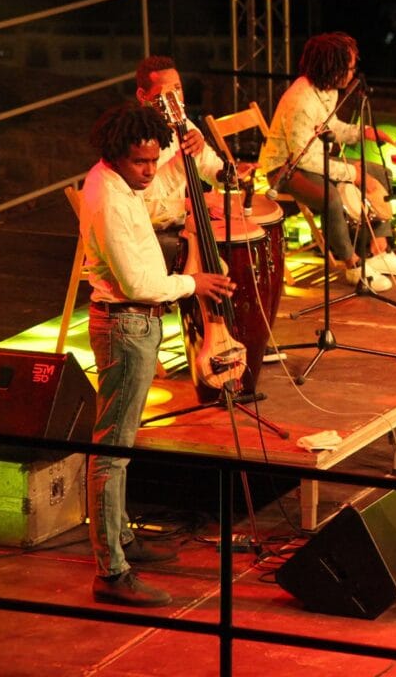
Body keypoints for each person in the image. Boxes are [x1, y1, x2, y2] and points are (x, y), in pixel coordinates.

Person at [79, 103, 236, 606]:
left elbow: (173, 144)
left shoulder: (119, 181)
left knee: (120, 447)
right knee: (113, 451)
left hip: (134, 323)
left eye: (153, 160)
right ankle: (111, 572)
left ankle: (121, 538)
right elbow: (137, 281)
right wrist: (196, 282)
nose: (150, 170)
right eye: (141, 163)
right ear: (117, 155)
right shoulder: (110, 199)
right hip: (125, 324)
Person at [258, 31, 396, 291]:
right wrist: (352, 174)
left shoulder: (329, 89)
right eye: (350, 67)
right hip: (286, 169)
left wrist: (362, 132)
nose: (353, 73)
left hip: (313, 160)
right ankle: (354, 266)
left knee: (381, 173)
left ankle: (379, 251)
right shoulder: (301, 100)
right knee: (330, 198)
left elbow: (331, 127)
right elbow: (304, 158)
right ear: (332, 67)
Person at [132, 56, 225, 269]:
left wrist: (227, 174)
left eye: (178, 88)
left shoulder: (183, 124)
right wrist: (188, 203)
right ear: (142, 96)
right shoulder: (135, 138)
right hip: (146, 234)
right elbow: (140, 208)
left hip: (176, 225)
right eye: (165, 92)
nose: (174, 98)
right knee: (214, 258)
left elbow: (209, 167)